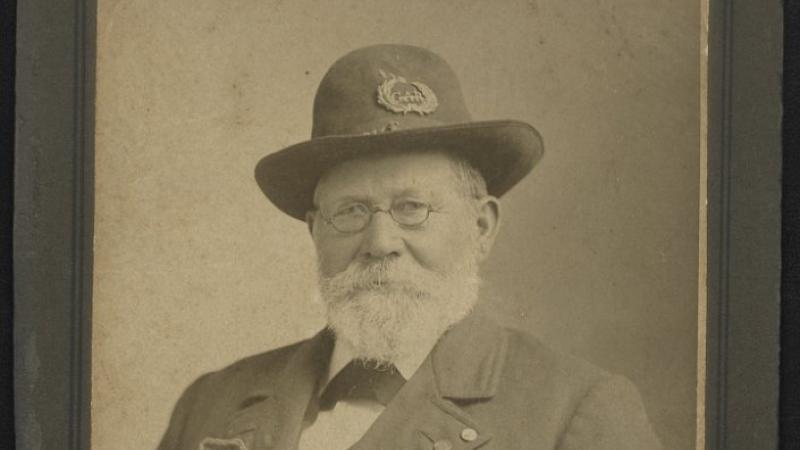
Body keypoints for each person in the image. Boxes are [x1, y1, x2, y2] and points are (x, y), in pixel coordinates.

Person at [157, 44, 662, 450]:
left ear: (481, 227)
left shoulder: (574, 410)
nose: (379, 243)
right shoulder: (212, 405)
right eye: (351, 211)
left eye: (412, 208)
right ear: (316, 231)